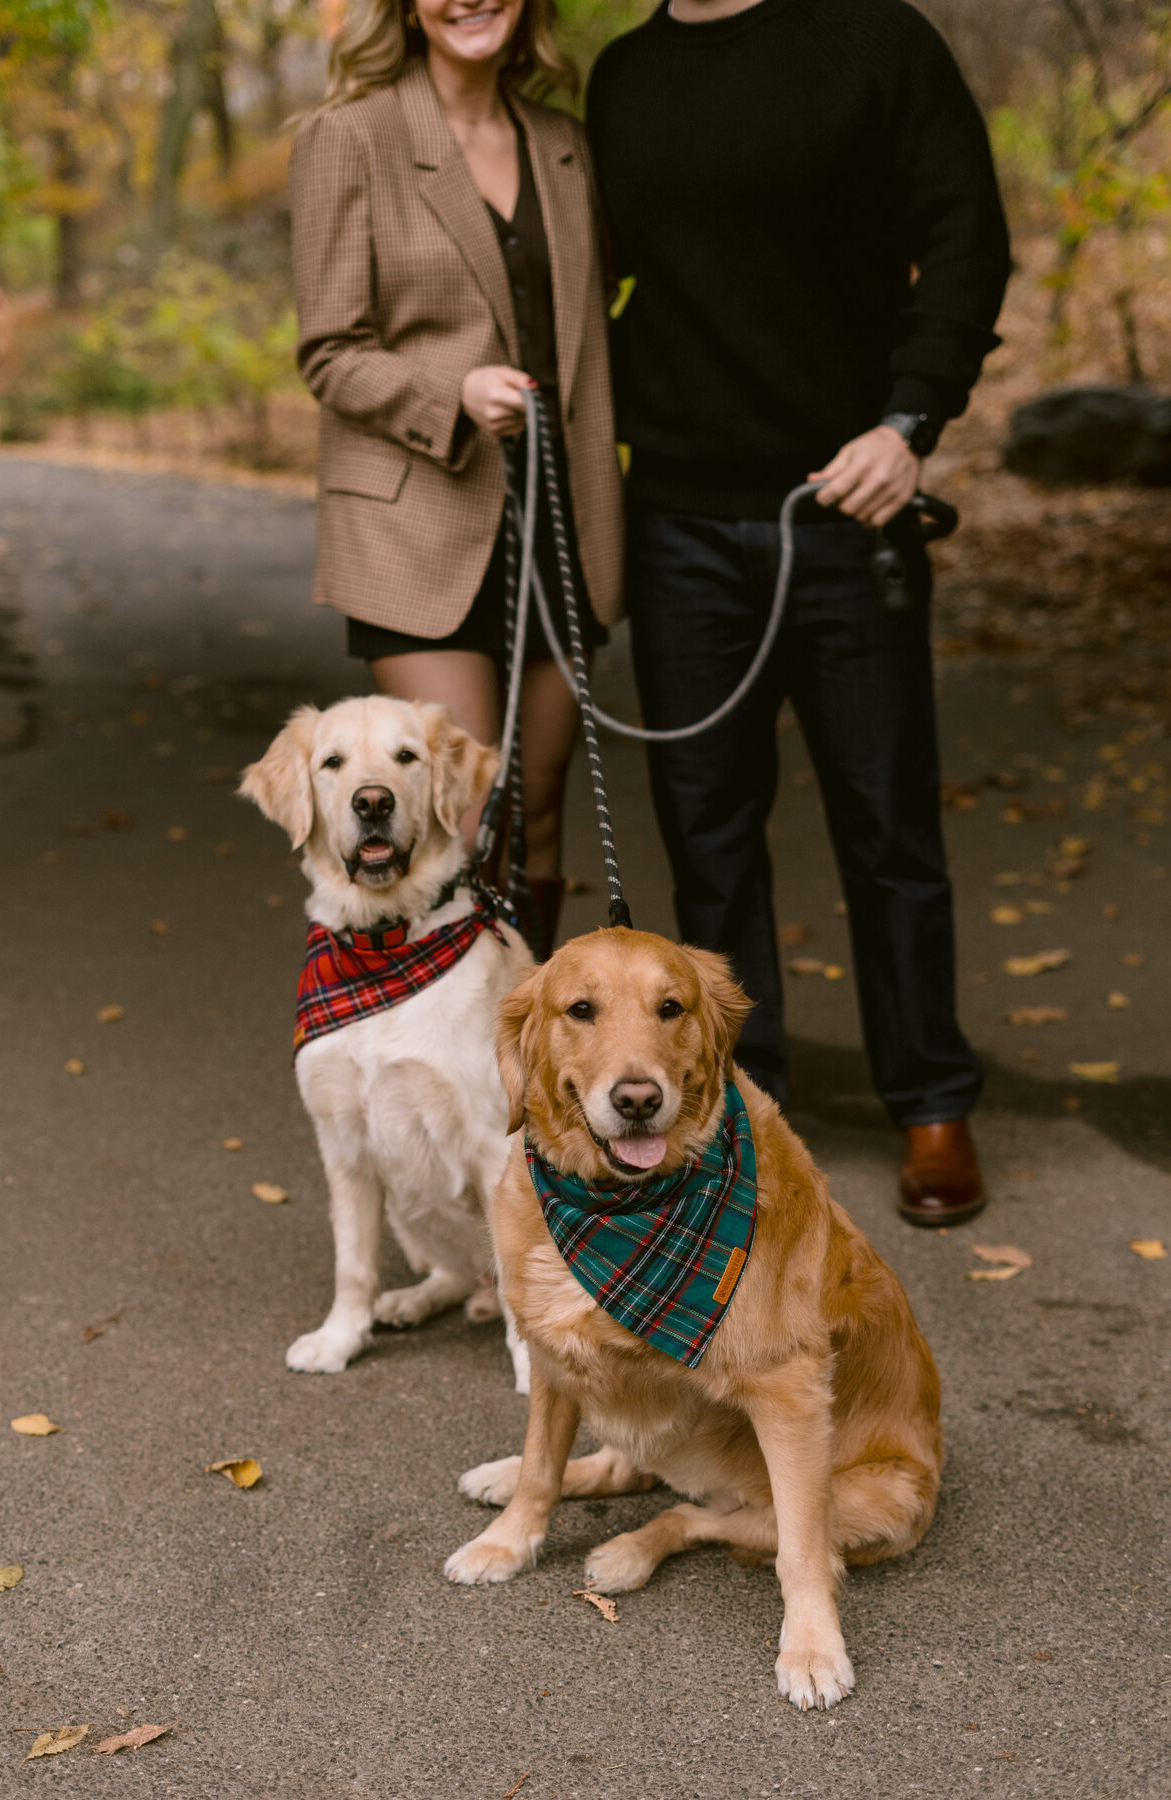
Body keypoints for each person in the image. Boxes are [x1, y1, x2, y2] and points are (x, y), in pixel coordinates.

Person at [586, 0, 1012, 1225]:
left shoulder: (874, 40)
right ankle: (740, 1114)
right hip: (674, 519)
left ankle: (931, 1101)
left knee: (888, 827)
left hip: (846, 510)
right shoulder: (624, 77)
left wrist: (910, 420)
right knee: (710, 838)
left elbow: (967, 236)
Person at [289, 0, 623, 956]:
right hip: (419, 518)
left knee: (542, 806)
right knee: (465, 813)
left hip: (561, 511)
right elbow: (330, 351)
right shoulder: (349, 139)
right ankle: (436, 1059)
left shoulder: (565, 142)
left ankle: (524, 1056)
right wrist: (452, 391)